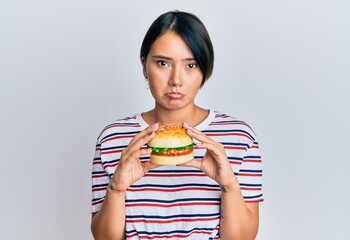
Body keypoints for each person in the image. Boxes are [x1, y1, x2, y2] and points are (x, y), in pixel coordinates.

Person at [91, 10, 263, 240]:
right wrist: (117, 188)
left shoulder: (239, 137)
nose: (176, 80)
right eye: (163, 63)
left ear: (205, 69)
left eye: (190, 65)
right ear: (144, 65)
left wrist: (229, 184)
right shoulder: (114, 138)